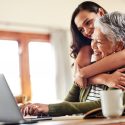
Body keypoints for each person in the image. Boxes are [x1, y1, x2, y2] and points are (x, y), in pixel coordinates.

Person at [21, 11, 125, 117]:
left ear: (119, 46)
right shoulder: (89, 69)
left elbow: (103, 106)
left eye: (98, 41)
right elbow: (68, 102)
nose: (93, 46)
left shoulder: (121, 73)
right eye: (92, 40)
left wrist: (50, 108)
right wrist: (40, 109)